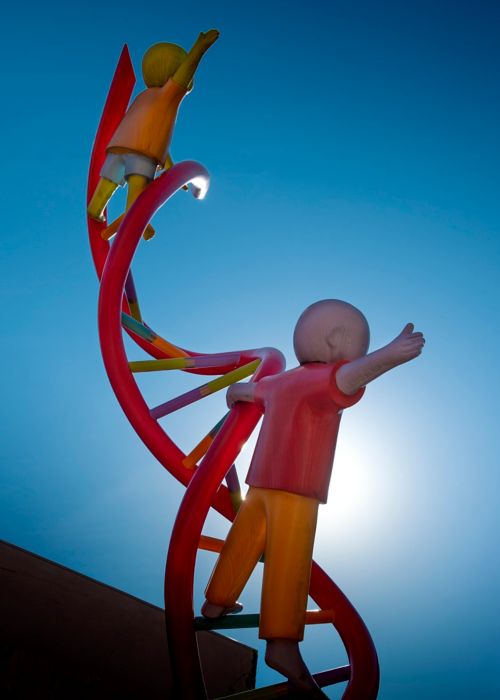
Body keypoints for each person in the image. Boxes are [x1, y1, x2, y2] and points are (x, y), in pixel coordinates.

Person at [202, 299, 425, 697]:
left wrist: (235, 393)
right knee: (290, 558)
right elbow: (354, 376)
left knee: (246, 539)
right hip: (298, 487)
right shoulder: (322, 380)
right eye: (359, 342)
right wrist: (389, 354)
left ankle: (217, 601)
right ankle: (282, 642)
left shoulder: (278, 382)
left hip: (261, 483)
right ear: (336, 341)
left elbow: (241, 392)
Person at [87, 30, 219, 240]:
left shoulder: (143, 97)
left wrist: (171, 170)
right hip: (143, 156)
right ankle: (122, 229)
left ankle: (97, 211)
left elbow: (155, 137)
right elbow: (183, 77)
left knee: (107, 185)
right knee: (136, 204)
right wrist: (200, 47)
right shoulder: (168, 96)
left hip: (119, 147)